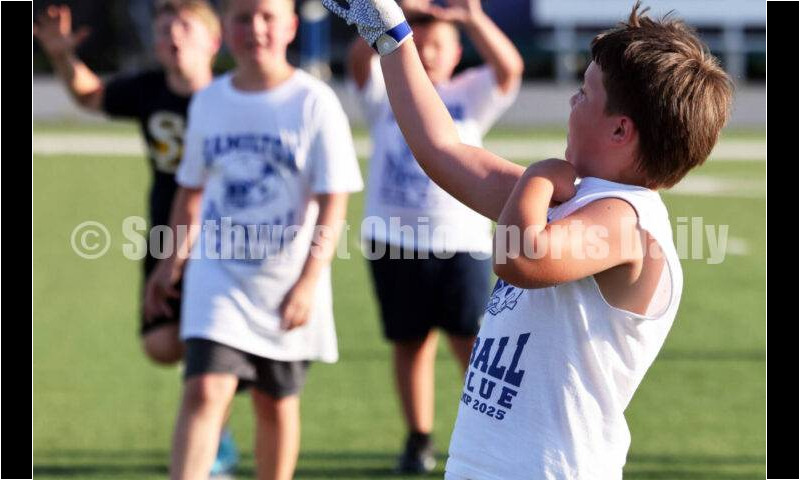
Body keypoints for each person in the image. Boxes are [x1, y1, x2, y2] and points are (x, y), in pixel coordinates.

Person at [323, 0, 733, 477]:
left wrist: (536, 177)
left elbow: (519, 259)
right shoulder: (577, 201)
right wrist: (391, 37)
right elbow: (441, 149)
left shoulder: (628, 221)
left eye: (584, 93)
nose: (572, 102)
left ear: (621, 129)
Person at [143, 0, 363, 478]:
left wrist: (308, 282)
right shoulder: (210, 100)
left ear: (289, 27)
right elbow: (191, 191)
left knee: (274, 404)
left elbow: (333, 202)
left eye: (267, 16)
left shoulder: (314, 102)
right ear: (226, 28)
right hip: (217, 274)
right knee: (204, 388)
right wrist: (170, 263)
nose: (255, 28)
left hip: (285, 282)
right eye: (243, 17)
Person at [33, 1, 241, 475]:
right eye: (165, 29)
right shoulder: (148, 89)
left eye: (185, 27)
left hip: (224, 242)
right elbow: (90, 96)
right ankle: (210, 408)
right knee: (162, 345)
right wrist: (62, 56)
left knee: (211, 352)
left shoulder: (234, 94)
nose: (173, 36)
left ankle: (212, 438)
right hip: (164, 235)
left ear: (213, 42)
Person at [346, 0, 522, 472]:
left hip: (460, 241)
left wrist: (472, 17)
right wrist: (392, 13)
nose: (425, 56)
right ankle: (418, 436)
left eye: (437, 47)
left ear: (456, 51)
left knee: (471, 341)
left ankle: (488, 433)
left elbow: (509, 69)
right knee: (410, 343)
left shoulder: (469, 92)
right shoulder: (389, 89)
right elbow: (359, 60)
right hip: (394, 240)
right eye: (418, 45)